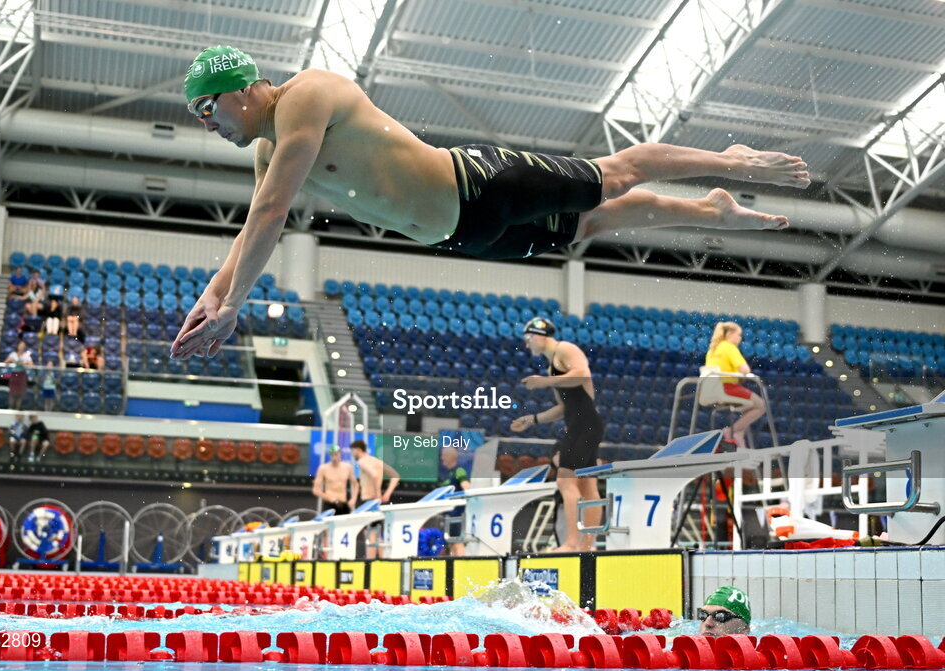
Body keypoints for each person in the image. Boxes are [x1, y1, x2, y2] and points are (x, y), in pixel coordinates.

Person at [170, 46, 810, 360]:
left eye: (206, 108)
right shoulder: (264, 151)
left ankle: (730, 161)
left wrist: (235, 303)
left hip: (478, 182)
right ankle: (709, 211)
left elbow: (272, 212)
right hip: (459, 235)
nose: (205, 123)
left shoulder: (305, 97)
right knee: (588, 225)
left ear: (242, 89)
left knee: (615, 176)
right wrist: (212, 295)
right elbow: (253, 232)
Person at [511, 317, 603, 552]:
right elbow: (563, 408)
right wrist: (532, 419)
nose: (526, 344)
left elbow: (582, 373)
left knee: (565, 480)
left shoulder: (565, 349)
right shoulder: (554, 365)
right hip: (583, 424)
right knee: (587, 486)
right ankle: (586, 545)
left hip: (584, 424)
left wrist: (544, 382)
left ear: (538, 336)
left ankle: (573, 542)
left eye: (527, 338)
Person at [704, 321, 766, 447]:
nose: (740, 338)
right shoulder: (729, 347)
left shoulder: (713, 349)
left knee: (749, 408)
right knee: (761, 405)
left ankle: (738, 434)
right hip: (726, 387)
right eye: (738, 335)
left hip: (710, 390)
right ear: (730, 334)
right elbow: (745, 370)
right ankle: (731, 431)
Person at [438, 447, 471, 556]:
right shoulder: (449, 473)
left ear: (451, 457)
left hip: (457, 514)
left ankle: (462, 565)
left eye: (444, 455)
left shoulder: (459, 470)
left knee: (457, 542)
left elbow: (467, 488)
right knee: (452, 543)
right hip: (450, 514)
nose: (442, 458)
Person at [311, 446, 358, 515]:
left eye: (336, 454)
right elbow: (315, 490)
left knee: (345, 525)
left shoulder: (347, 467)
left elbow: (356, 484)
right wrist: (330, 498)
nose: (334, 457)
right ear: (329, 455)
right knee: (329, 525)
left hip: (343, 503)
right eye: (332, 455)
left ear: (340, 454)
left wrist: (354, 499)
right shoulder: (323, 468)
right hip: (329, 503)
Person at [350, 439, 399, 505]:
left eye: (352, 451)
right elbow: (395, 475)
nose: (352, 454)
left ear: (359, 450)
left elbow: (374, 475)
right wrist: (387, 494)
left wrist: (377, 494)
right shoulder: (377, 461)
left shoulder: (362, 461)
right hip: (377, 500)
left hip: (368, 500)